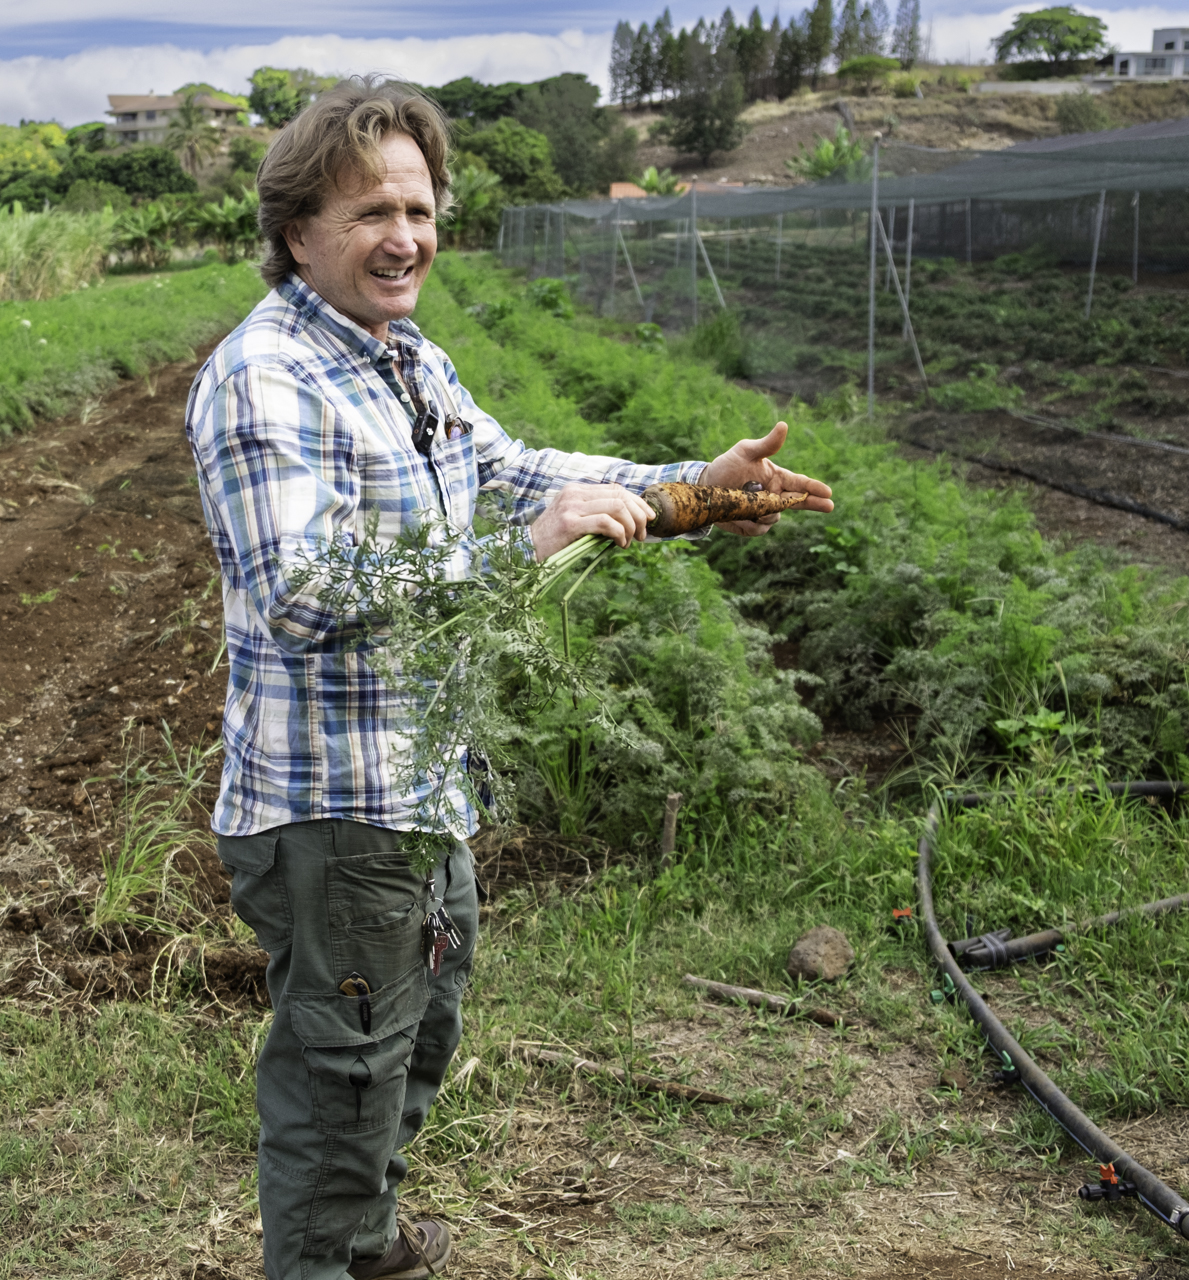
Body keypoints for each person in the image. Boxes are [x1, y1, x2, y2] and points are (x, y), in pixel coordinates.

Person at [183, 78, 833, 1280]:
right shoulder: (263, 374)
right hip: (336, 808)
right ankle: (327, 1253)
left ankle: (364, 1238)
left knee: (410, 1037)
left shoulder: (399, 356)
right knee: (341, 1072)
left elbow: (516, 472)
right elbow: (301, 585)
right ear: (297, 232)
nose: (406, 237)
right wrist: (513, 549)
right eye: (372, 210)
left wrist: (694, 488)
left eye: (419, 209)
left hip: (421, 785)